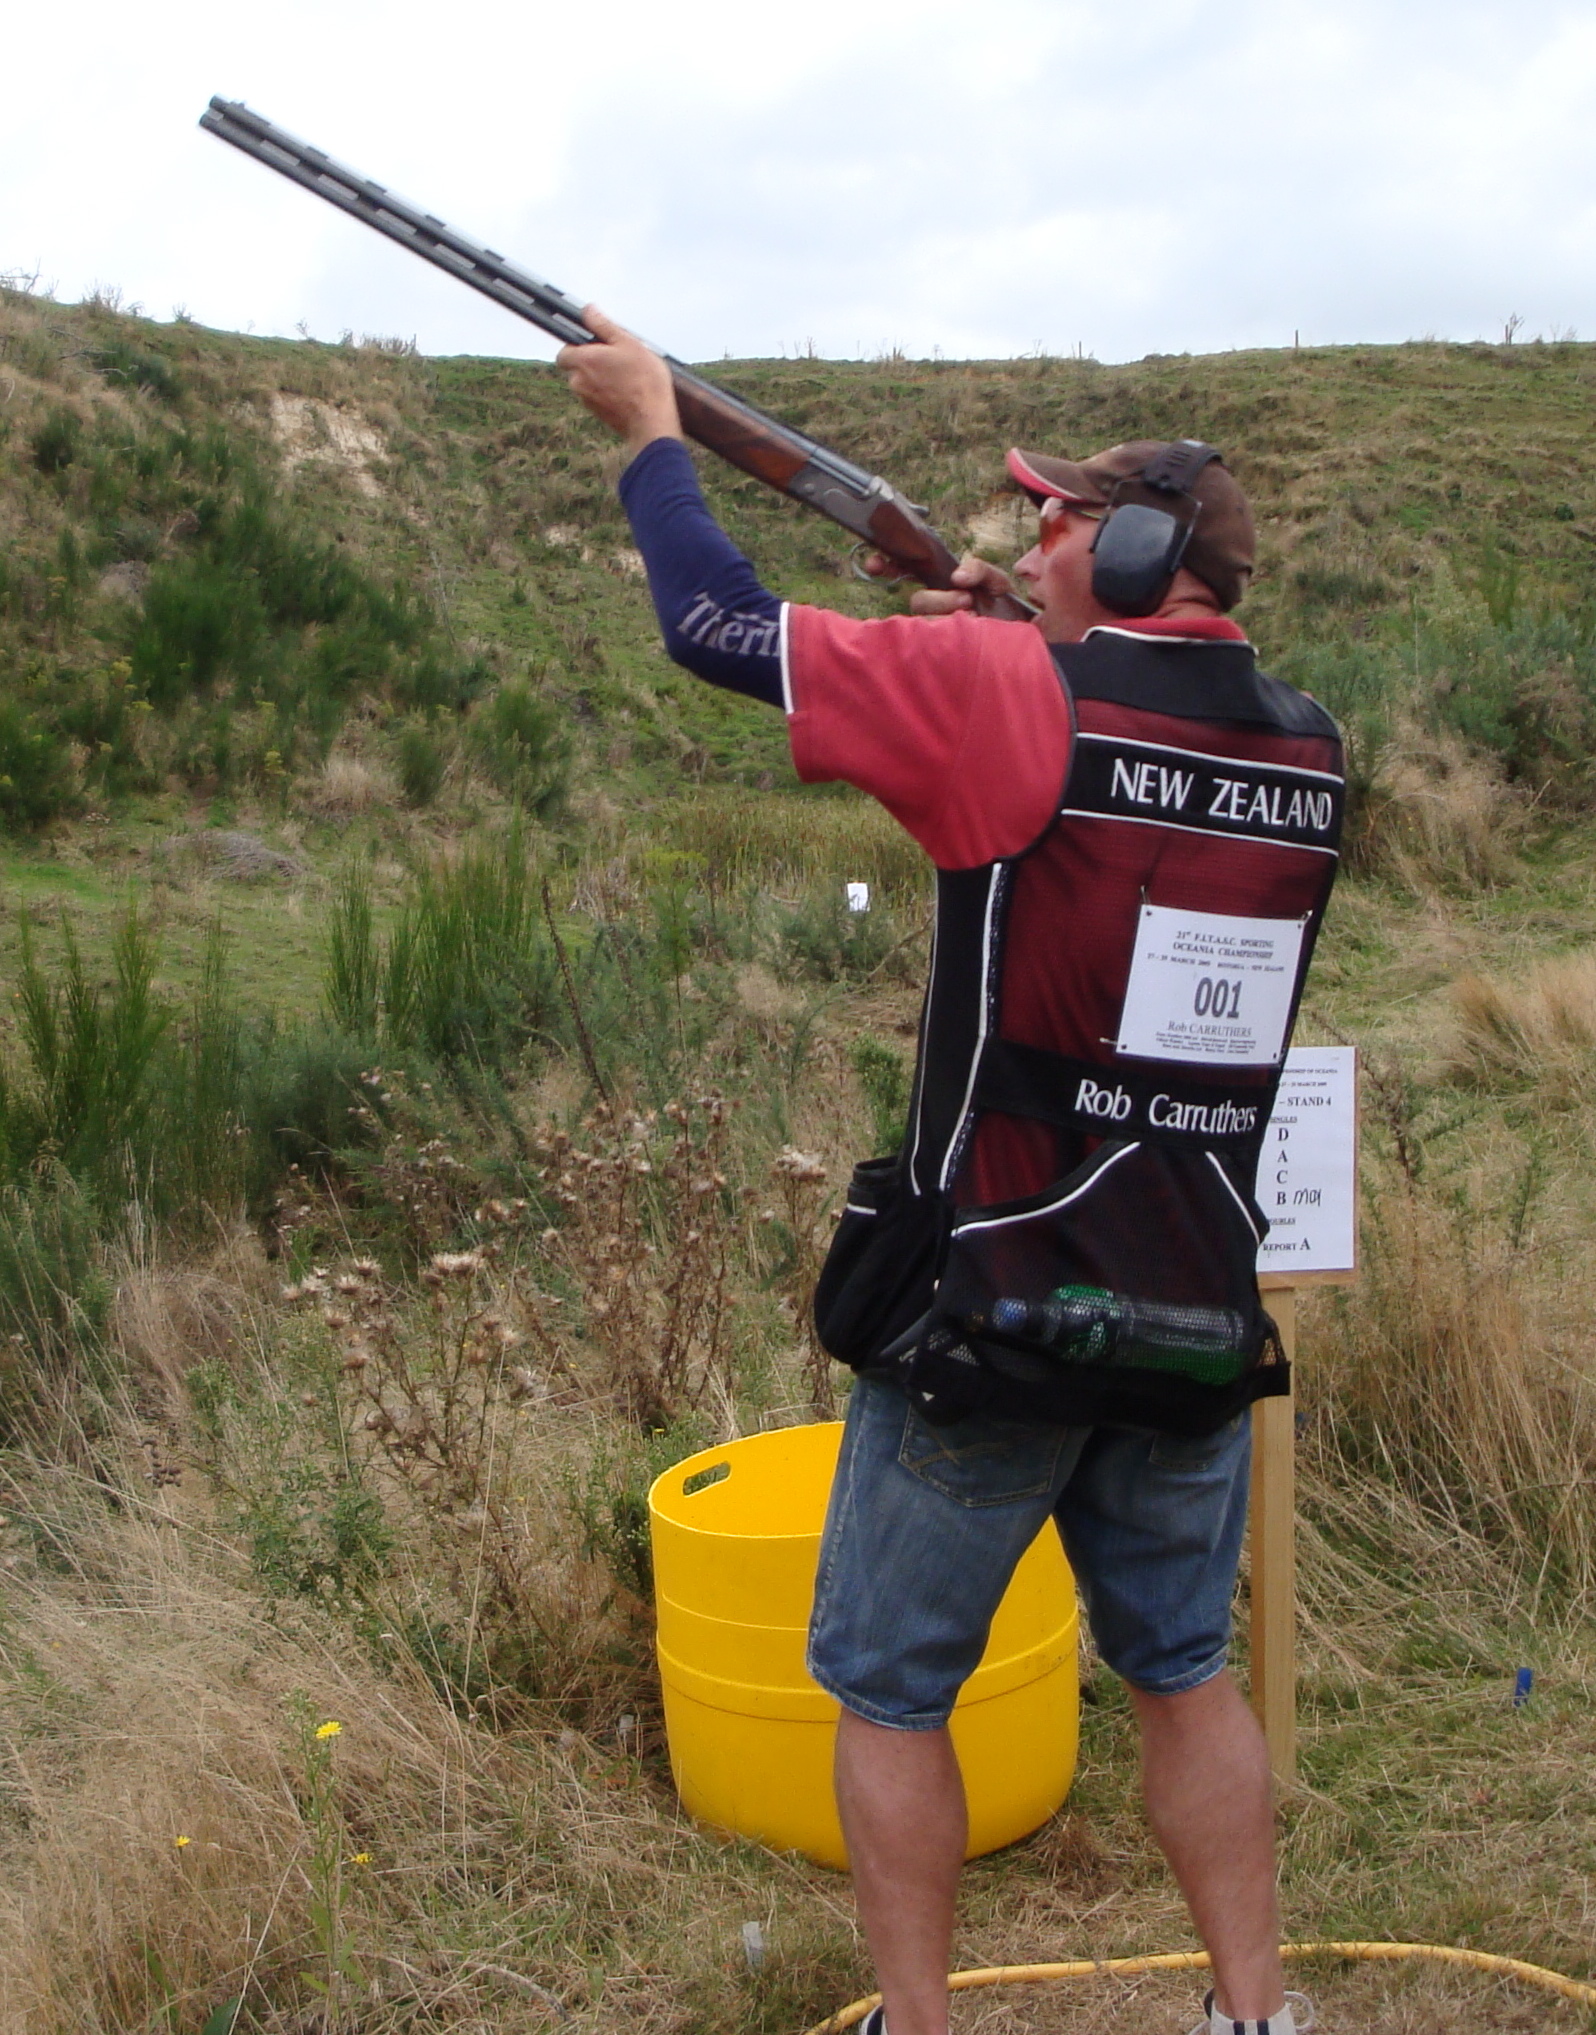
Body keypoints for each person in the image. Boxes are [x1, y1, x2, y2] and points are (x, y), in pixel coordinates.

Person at [557, 311, 1344, 2035]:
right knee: (1187, 1677)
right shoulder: (1308, 750)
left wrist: (644, 435)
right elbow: (1131, 778)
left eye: (1054, 520)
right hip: (1196, 1305)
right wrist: (1022, 639)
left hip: (993, 1304)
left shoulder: (1012, 698)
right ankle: (1257, 2014)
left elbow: (712, 627)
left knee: (890, 1696)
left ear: (1127, 550)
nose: (1024, 538)